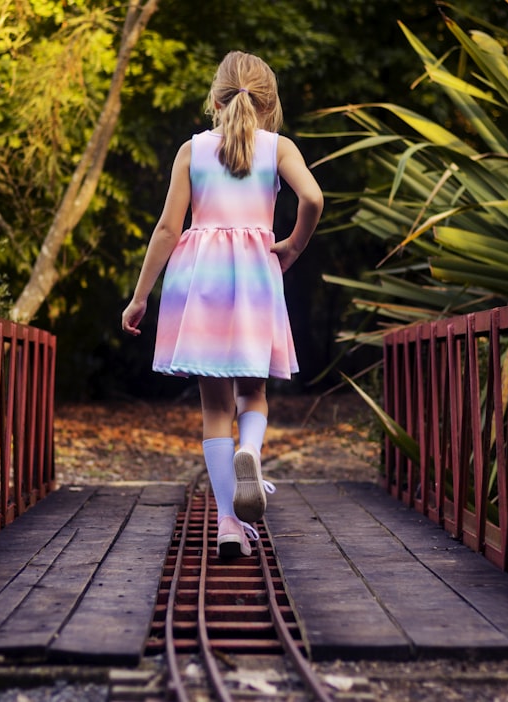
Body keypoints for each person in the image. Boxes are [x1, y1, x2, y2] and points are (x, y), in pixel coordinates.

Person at [121, 51, 323, 559]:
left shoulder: (192, 151)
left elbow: (168, 228)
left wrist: (140, 296)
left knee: (214, 407)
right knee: (252, 393)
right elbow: (314, 199)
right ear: (269, 104)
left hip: (200, 279)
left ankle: (229, 524)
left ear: (214, 101)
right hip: (255, 274)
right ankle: (250, 453)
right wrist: (293, 245)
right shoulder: (279, 149)